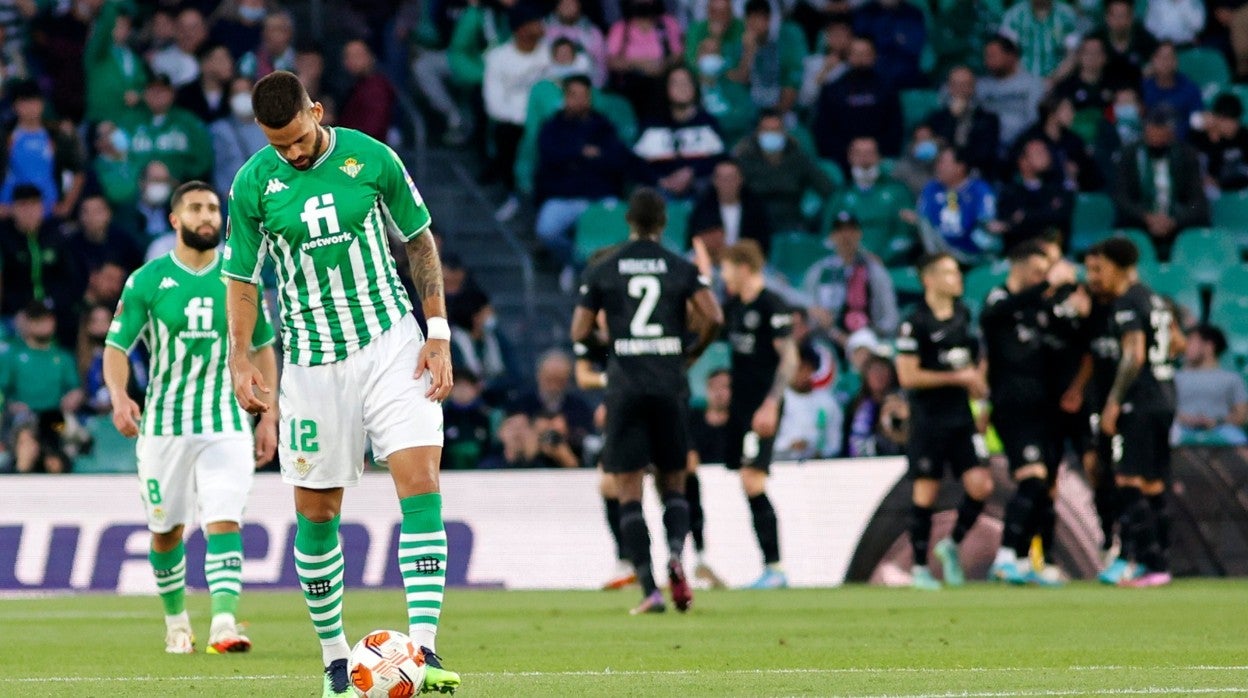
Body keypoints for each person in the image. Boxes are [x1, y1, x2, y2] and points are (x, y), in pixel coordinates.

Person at [222, 71, 461, 695]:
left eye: (299, 138)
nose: (294, 153)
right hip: (309, 361)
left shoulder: (372, 157)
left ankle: (426, 654)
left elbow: (419, 241)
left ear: (317, 112)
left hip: (391, 344)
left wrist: (438, 330)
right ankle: (335, 662)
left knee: (421, 480)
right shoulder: (251, 185)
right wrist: (239, 355)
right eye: (280, 145)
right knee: (318, 512)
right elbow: (243, 280)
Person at [102, 180, 277, 656]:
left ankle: (224, 620)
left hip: (225, 421)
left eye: (214, 209)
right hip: (163, 426)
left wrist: (271, 414)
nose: (208, 217)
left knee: (223, 519)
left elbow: (263, 347)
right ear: (175, 220)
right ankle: (177, 621)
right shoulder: (148, 279)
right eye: (196, 208)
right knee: (166, 530)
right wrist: (119, 396)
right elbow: (116, 346)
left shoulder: (240, 279)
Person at [571, 187, 724, 614]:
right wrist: (689, 351)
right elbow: (713, 316)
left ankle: (650, 590)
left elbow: (579, 331)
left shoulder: (605, 268)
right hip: (669, 384)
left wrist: (614, 344)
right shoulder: (679, 267)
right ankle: (677, 555)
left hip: (625, 387)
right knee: (674, 482)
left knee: (628, 490)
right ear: (663, 223)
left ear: (629, 222)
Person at [1084, 237, 1183, 588]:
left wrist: (1113, 401)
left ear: (1116, 265)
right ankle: (1161, 563)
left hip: (1139, 400)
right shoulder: (1155, 298)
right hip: (1166, 394)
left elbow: (1134, 355)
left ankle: (1150, 564)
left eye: (1101, 267)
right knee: (1154, 483)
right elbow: (1178, 342)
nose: (1097, 275)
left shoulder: (1127, 302)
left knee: (1127, 480)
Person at [895, 252, 991, 590]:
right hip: (928, 420)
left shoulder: (964, 315)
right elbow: (908, 376)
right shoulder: (915, 322)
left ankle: (950, 545)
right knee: (926, 492)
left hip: (962, 418)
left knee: (981, 485)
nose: (958, 278)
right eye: (949, 273)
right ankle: (919, 568)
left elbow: (977, 360)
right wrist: (957, 378)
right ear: (929, 279)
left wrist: (978, 390)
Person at [980, 241, 1064, 586]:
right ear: (1017, 266)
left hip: (1043, 407)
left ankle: (1024, 560)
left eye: (1045, 273)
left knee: (1043, 486)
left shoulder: (1037, 308)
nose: (1040, 278)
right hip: (1012, 405)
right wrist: (1048, 286)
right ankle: (1005, 556)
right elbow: (994, 318)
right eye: (1036, 272)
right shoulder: (998, 300)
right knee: (1030, 479)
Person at [720, 239, 799, 589]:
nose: (723, 276)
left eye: (725, 269)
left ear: (743, 267)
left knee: (753, 480)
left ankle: (776, 568)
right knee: (747, 481)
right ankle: (771, 567)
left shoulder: (772, 305)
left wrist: (771, 403)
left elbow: (790, 358)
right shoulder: (735, 305)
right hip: (740, 408)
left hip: (762, 408)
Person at [534, 75, 629, 272]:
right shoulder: (551, 127)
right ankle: (578, 263)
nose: (578, 100)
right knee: (545, 230)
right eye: (573, 95)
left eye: (583, 95)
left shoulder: (603, 127)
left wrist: (572, 158)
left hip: (600, 197)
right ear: (565, 97)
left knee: (621, 226)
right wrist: (580, 152)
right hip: (564, 197)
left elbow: (616, 160)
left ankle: (602, 270)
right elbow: (550, 158)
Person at [1111, 105, 1209, 262]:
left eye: (1161, 136)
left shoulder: (1187, 155)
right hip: (1140, 222)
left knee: (1199, 224)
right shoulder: (1128, 155)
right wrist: (1147, 217)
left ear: (1171, 134)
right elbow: (1121, 197)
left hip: (1177, 223)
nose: (1156, 140)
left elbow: (1197, 200)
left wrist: (1174, 221)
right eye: (1152, 135)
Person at [483, 3, 551, 217]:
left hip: (545, 120)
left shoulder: (549, 53)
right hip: (513, 121)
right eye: (534, 23)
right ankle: (513, 194)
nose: (540, 27)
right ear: (520, 29)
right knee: (505, 136)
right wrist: (522, 119)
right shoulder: (498, 57)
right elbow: (494, 101)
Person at [0, 301, 84, 475]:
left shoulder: (63, 357)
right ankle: (19, 481)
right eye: (37, 319)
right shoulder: (13, 356)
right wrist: (10, 405)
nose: (44, 323)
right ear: (28, 323)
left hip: (54, 419)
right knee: (27, 439)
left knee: (60, 441)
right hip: (22, 418)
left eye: (47, 318)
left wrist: (74, 396)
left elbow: (76, 389)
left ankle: (67, 448)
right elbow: (3, 389)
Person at [801, 211, 900, 350]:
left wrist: (874, 336)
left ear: (859, 234)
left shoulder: (874, 271)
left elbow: (890, 316)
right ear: (832, 236)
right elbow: (808, 308)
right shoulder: (819, 272)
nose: (846, 236)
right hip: (827, 341)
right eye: (840, 230)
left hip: (868, 341)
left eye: (851, 230)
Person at [633, 65, 727, 200]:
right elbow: (637, 163)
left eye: (686, 83)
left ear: (694, 88)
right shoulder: (652, 125)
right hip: (660, 189)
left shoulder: (708, 123)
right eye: (675, 83)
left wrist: (691, 173)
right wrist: (661, 180)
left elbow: (720, 159)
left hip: (700, 188)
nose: (681, 88)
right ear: (666, 88)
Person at [734, 109, 834, 233]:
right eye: (767, 131)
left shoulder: (798, 158)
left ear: (784, 133)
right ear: (757, 133)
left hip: (791, 221)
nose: (771, 135)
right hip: (754, 222)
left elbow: (827, 188)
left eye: (776, 130)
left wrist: (814, 218)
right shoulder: (745, 160)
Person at [813, 36, 903, 169]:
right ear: (848, 56)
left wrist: (875, 151)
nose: (860, 58)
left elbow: (895, 127)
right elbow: (824, 130)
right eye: (856, 53)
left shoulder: (887, 89)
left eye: (865, 53)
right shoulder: (833, 90)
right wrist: (849, 153)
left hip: (881, 157)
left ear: (874, 56)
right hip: (842, 160)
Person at [0, 81, 85, 218]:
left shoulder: (57, 135)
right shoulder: (5, 135)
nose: (29, 108)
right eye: (24, 103)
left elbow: (78, 171)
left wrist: (66, 206)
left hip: (48, 211)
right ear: (14, 106)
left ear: (42, 104)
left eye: (34, 102)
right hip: (10, 210)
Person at [826, 135, 915, 263]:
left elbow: (905, 235)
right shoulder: (840, 196)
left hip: (891, 265)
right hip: (848, 264)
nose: (864, 160)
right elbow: (827, 237)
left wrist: (882, 258)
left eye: (869, 153)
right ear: (850, 157)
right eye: (858, 154)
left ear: (879, 157)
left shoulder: (898, 192)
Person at [120, 73, 215, 183]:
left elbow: (204, 160)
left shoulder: (188, 122)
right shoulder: (130, 122)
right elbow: (118, 159)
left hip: (179, 188)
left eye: (162, 91)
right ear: (144, 94)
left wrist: (176, 176)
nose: (157, 95)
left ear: (172, 93)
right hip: (138, 191)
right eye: (152, 91)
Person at [0, 184, 76, 319]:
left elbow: (70, 278)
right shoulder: (4, 238)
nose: (29, 211)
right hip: (14, 314)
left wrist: (52, 303)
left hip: (54, 311)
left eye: (34, 205)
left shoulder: (56, 236)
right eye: (23, 205)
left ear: (42, 208)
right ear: (13, 209)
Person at [916, 146, 999, 266]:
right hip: (939, 257)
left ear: (960, 167)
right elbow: (924, 223)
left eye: (942, 162)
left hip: (974, 257)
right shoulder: (931, 189)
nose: (938, 167)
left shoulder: (980, 190)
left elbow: (986, 223)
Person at [686, 368, 730, 587]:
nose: (720, 393)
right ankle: (697, 560)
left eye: (726, 387)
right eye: (715, 388)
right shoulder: (693, 420)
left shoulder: (739, 423)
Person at [605, 0, 684, 120]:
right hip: (631, 86)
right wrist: (639, 64)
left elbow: (679, 55)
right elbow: (611, 61)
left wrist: (663, 65)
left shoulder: (668, 23)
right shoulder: (621, 27)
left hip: (662, 84)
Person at [511, 350, 596, 461]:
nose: (553, 387)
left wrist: (566, 432)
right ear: (539, 376)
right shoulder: (521, 405)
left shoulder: (579, 408)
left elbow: (587, 439)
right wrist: (533, 430)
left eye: (559, 381)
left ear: (567, 381)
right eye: (549, 379)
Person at [992, 138, 1074, 252]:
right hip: (1020, 255)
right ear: (1022, 161)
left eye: (1045, 151)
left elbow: (1060, 217)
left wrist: (1025, 216)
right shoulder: (1010, 192)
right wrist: (1045, 213)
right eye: (1038, 153)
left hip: (1054, 253)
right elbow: (1009, 227)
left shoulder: (1058, 189)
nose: (1045, 156)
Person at [727, 0, 806, 115]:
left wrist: (773, 116)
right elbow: (737, 86)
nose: (755, 24)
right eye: (751, 19)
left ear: (769, 20)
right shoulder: (737, 48)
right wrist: (748, 53)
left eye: (760, 18)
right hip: (747, 113)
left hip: (778, 112)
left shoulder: (782, 47)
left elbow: (790, 88)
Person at [1174, 324, 1248, 446]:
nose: (1186, 346)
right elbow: (1165, 410)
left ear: (1209, 346)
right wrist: (1185, 419)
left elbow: (1242, 415)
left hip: (1222, 431)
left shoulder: (1232, 379)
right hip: (1181, 430)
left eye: (1192, 342)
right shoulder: (1175, 378)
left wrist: (1216, 421)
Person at [924, 66, 1000, 179]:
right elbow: (932, 151)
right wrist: (952, 119)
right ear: (949, 88)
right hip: (939, 172)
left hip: (973, 175)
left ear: (972, 88)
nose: (959, 90)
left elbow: (984, 155)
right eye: (955, 85)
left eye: (964, 85)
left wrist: (958, 165)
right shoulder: (937, 118)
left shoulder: (988, 119)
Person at [774, 343, 843, 460]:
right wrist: (788, 446)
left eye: (804, 368)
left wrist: (817, 451)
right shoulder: (776, 400)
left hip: (818, 467)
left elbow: (834, 443)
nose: (799, 373)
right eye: (795, 367)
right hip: (780, 464)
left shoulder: (828, 403)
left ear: (813, 370)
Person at [84, 0, 148, 126]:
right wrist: (112, 4)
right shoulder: (95, 53)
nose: (119, 29)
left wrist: (138, 95)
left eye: (124, 25)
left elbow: (143, 85)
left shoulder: (134, 58)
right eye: (115, 25)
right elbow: (103, 29)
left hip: (128, 123)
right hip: (100, 121)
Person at [977, 36, 1046, 150]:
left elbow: (1034, 121)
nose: (987, 61)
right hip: (986, 147)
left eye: (993, 56)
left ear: (1011, 56)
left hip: (1021, 146)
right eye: (986, 56)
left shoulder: (1032, 84)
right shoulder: (981, 85)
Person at [689, 159, 772, 254]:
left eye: (730, 178)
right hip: (712, 260)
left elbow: (762, 242)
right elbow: (694, 240)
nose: (726, 183)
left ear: (740, 179)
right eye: (722, 178)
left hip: (745, 261)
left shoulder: (755, 209)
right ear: (714, 181)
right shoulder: (702, 209)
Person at [211, 76, 269, 199]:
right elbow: (217, 167)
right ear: (228, 98)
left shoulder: (272, 126)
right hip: (235, 200)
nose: (242, 97)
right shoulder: (219, 130)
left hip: (269, 196)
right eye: (236, 93)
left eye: (246, 92)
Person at [853, 0, 927, 89]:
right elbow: (860, 45)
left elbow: (914, 46)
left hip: (906, 75)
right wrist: (896, 38)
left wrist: (882, 39)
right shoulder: (864, 12)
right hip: (873, 75)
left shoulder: (914, 13)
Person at [998, 0, 1079, 78]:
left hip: (1059, 81)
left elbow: (1072, 55)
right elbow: (1005, 55)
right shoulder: (1013, 15)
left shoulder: (1067, 15)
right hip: (1019, 80)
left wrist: (1053, 80)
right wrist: (1029, 82)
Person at [1088, 0, 1158, 89]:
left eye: (1123, 16)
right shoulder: (1095, 40)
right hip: (1102, 91)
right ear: (1107, 17)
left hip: (1137, 91)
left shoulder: (1145, 39)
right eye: (1115, 16)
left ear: (1131, 17)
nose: (1119, 22)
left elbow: (1157, 61)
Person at [337, 40, 398, 142]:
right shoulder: (351, 88)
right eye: (348, 56)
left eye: (358, 56)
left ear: (370, 57)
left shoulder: (376, 89)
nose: (352, 61)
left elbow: (371, 129)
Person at [1141, 42, 1204, 140]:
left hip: (1182, 145)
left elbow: (1197, 119)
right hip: (1150, 142)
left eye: (1169, 57)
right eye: (1161, 57)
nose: (1165, 62)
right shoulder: (1143, 88)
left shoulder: (1190, 88)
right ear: (1153, 60)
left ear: (1176, 61)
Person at [1191, 93, 1248, 194]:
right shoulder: (1200, 138)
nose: (1232, 126)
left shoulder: (1243, 136)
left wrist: (1220, 183)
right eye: (1226, 120)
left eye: (1235, 120)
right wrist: (1214, 141)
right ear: (1215, 118)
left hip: (1236, 189)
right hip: (1210, 195)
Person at [176, 45, 236, 124]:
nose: (229, 63)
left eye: (228, 58)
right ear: (204, 64)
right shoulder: (184, 95)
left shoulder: (235, 91)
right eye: (221, 59)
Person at [150, 8, 210, 88]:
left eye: (193, 28)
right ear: (175, 31)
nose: (188, 33)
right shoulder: (160, 60)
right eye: (182, 28)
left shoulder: (217, 58)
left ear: (204, 31)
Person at [238, 11, 297, 79]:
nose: (276, 34)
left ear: (289, 33)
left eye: (280, 29)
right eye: (272, 30)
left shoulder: (298, 59)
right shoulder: (250, 59)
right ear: (264, 33)